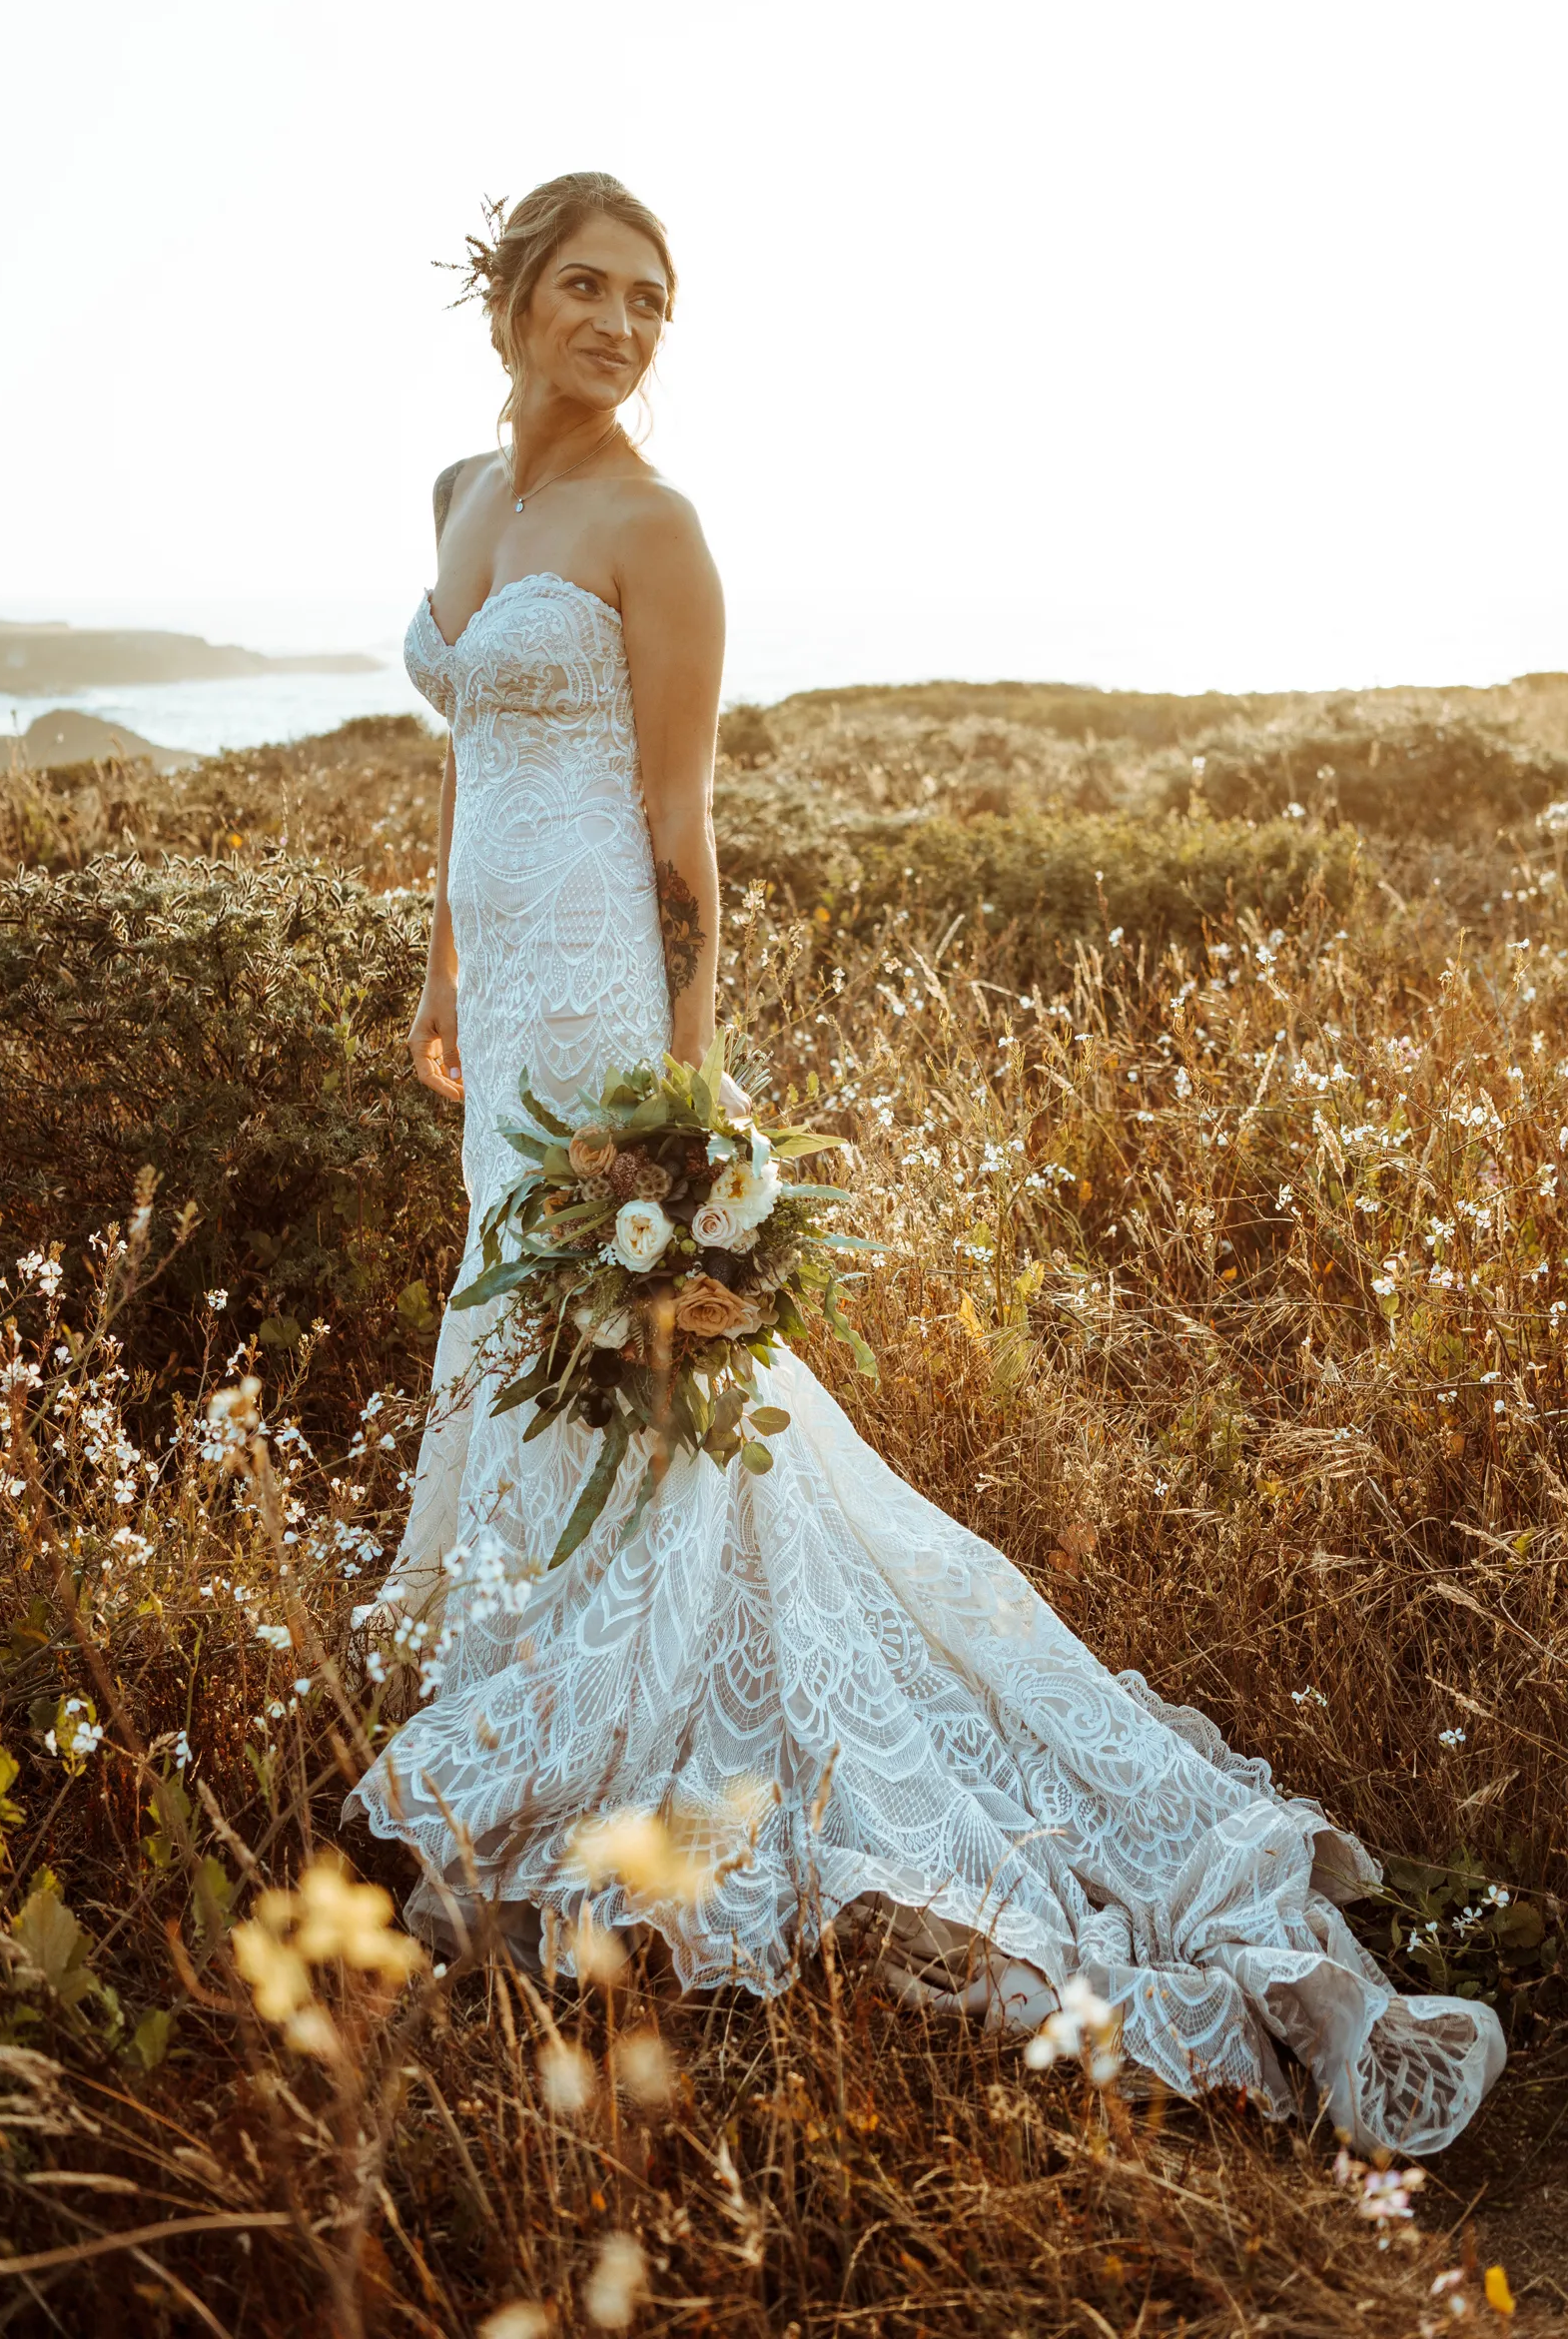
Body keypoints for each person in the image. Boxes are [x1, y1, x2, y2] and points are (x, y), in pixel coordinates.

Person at [347, 173, 1502, 2156]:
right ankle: (544, 1691)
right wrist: (430, 971)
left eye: (652, 302)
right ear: (508, 299)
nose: (621, 327)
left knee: (656, 1379)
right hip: (502, 993)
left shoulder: (656, 529)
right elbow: (471, 766)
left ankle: (681, 1760)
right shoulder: (460, 492)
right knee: (522, 1355)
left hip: (614, 1019)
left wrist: (682, 1136)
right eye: (590, 291)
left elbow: (682, 843)